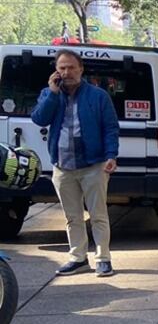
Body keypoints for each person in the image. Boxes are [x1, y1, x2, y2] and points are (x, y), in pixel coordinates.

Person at [30, 49, 120, 277]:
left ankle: (103, 258)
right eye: (62, 68)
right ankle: (78, 258)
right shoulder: (49, 94)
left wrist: (111, 155)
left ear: (81, 69)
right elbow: (39, 118)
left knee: (98, 214)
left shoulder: (98, 96)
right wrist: (52, 93)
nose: (67, 72)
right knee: (72, 216)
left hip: (93, 165)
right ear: (56, 71)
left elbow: (110, 128)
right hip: (63, 166)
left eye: (71, 67)